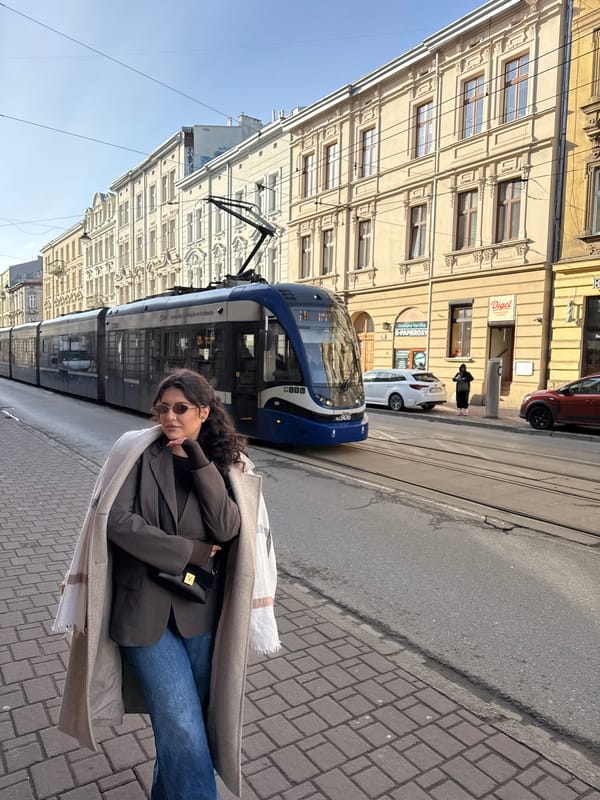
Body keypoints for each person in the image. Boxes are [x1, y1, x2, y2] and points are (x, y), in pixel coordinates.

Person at [53, 369, 280, 800]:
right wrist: (189, 551)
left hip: (199, 613)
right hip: (143, 613)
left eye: (181, 409)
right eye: (163, 408)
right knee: (182, 726)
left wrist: (198, 459)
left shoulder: (224, 463)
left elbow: (228, 528)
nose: (170, 417)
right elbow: (117, 521)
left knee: (186, 729)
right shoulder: (136, 453)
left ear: (204, 412)